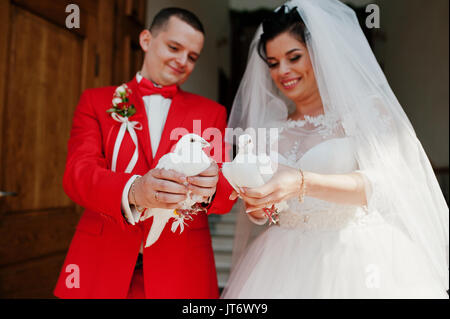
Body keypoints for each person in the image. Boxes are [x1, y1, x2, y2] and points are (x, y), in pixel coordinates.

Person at [222, 0, 448, 298]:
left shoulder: (365, 113)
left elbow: (386, 185)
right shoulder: (269, 129)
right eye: (274, 63)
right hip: (282, 262)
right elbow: (263, 212)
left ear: (319, 53)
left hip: (356, 254)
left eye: (294, 57)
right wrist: (259, 206)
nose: (283, 71)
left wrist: (302, 182)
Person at [54, 7, 235, 299]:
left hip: (181, 268)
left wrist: (214, 187)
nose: (182, 62)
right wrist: (135, 191)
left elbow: (227, 193)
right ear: (146, 39)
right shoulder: (96, 102)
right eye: (174, 47)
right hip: (102, 262)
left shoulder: (211, 113)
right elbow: (78, 174)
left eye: (192, 57)